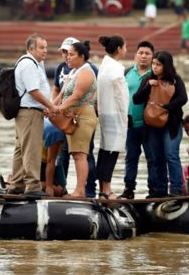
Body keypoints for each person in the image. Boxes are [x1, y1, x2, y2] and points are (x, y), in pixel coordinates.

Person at [133, 51, 188, 197]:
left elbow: (183, 99)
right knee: (157, 158)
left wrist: (164, 107)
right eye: (154, 64)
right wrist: (147, 87)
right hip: (151, 125)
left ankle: (176, 189)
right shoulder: (148, 79)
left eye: (158, 64)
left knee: (171, 155)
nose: (155, 67)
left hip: (171, 125)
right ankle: (161, 190)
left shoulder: (176, 80)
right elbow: (136, 99)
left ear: (166, 65)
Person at [9, 33, 57, 197]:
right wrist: (50, 105)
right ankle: (33, 186)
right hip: (29, 112)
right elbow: (33, 91)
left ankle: (17, 183)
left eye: (46, 47)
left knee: (21, 149)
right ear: (31, 48)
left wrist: (44, 106)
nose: (45, 51)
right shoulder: (29, 64)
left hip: (28, 111)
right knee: (32, 149)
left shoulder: (34, 63)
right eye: (41, 47)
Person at [52, 37, 99, 198]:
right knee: (75, 154)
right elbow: (63, 94)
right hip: (72, 116)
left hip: (84, 116)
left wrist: (57, 109)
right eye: (67, 54)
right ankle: (78, 190)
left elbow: (76, 96)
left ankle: (80, 191)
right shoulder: (72, 72)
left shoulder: (86, 71)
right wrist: (51, 107)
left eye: (71, 54)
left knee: (81, 155)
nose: (68, 57)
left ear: (82, 57)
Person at [120, 41, 154, 199]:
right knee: (131, 157)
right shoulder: (126, 73)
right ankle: (129, 189)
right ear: (135, 55)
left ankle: (153, 190)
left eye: (147, 53)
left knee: (152, 158)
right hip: (130, 124)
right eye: (141, 53)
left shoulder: (156, 74)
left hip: (150, 125)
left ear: (152, 57)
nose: (143, 56)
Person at [96, 35, 129, 199]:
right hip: (115, 113)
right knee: (111, 151)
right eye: (125, 47)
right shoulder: (116, 69)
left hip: (104, 112)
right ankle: (107, 189)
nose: (126, 50)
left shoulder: (104, 66)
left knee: (104, 150)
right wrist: (125, 117)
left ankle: (102, 188)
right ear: (118, 49)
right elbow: (121, 97)